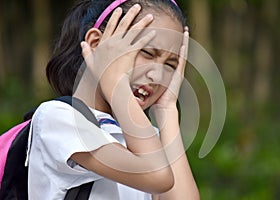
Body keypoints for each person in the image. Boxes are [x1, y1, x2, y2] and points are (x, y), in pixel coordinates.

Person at [26, 0, 200, 199]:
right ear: (96, 44)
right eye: (147, 52)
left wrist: (168, 110)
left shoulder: (148, 139)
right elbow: (158, 176)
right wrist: (116, 81)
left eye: (170, 65)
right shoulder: (59, 120)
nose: (156, 75)